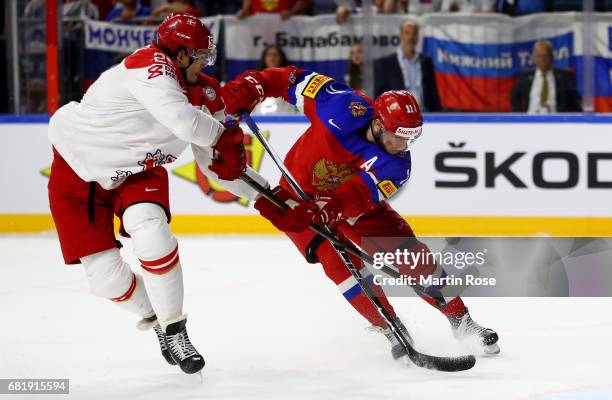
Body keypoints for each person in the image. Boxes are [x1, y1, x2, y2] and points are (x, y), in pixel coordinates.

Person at [221, 66, 500, 359]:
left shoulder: (398, 166)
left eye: (411, 138)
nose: (405, 146)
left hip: (355, 209)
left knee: (413, 258)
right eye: (399, 136)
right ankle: (391, 330)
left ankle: (463, 322)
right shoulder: (339, 103)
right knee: (340, 266)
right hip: (297, 198)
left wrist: (330, 210)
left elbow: (359, 195)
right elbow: (286, 79)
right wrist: (252, 87)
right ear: (379, 125)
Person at [47, 13, 248, 375]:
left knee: (153, 234)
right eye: (201, 54)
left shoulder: (204, 91)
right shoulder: (149, 64)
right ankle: (155, 317)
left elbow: (214, 166)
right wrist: (222, 134)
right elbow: (186, 124)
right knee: (105, 280)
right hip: (77, 168)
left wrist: (268, 196)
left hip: (138, 170)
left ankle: (176, 328)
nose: (206, 61)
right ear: (181, 54)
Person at [374, 20, 441, 111]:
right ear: (400, 36)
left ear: (417, 37)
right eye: (407, 33)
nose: (411, 37)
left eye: (414, 34)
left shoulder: (426, 62)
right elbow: (379, 97)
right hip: (398, 116)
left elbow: (434, 95)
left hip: (425, 115)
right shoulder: (385, 64)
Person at [510, 40, 582, 113]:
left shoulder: (565, 76)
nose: (542, 60)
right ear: (534, 58)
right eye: (539, 56)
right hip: (531, 120)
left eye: (545, 56)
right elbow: (514, 97)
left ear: (552, 57)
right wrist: (520, 116)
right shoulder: (525, 76)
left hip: (556, 121)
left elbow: (576, 100)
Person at [252, 44, 298, 115]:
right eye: (269, 55)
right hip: (259, 120)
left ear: (281, 58)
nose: (272, 57)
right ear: (264, 58)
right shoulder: (254, 80)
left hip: (288, 120)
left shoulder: (292, 78)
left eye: (276, 54)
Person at [236, 0, 311, 20]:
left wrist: (291, 12)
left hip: (286, 26)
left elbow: (304, 1)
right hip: (258, 27)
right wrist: (244, 10)